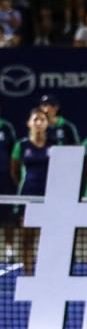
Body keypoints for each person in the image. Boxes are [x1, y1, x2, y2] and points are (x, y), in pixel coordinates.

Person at [10, 108, 52, 273]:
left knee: (48, 238)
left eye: (42, 120)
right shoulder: (21, 145)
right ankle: (28, 273)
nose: (39, 123)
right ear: (29, 123)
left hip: (49, 197)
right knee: (28, 238)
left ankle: (46, 272)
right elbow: (14, 171)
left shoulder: (53, 145)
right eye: (35, 119)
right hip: (28, 196)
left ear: (47, 124)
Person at [0, 108, 16, 259]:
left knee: (7, 217)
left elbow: (13, 155)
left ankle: (9, 248)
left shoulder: (6, 128)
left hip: (4, 180)